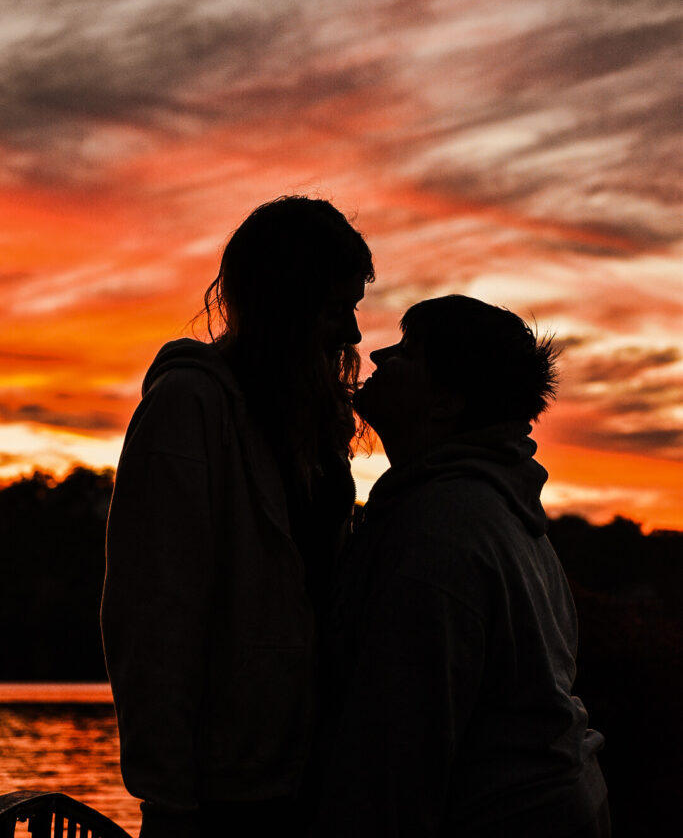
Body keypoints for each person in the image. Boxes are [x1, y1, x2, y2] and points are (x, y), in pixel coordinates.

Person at [101, 195, 374, 838]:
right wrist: (170, 798)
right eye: (336, 310)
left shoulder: (310, 423)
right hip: (219, 798)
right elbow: (153, 614)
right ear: (287, 306)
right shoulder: (188, 408)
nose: (354, 334)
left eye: (355, 308)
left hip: (308, 780)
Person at [314, 295, 610, 837]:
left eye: (408, 352)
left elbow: (398, 757)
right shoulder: (500, 514)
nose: (377, 355)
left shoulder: (440, 531)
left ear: (446, 401)